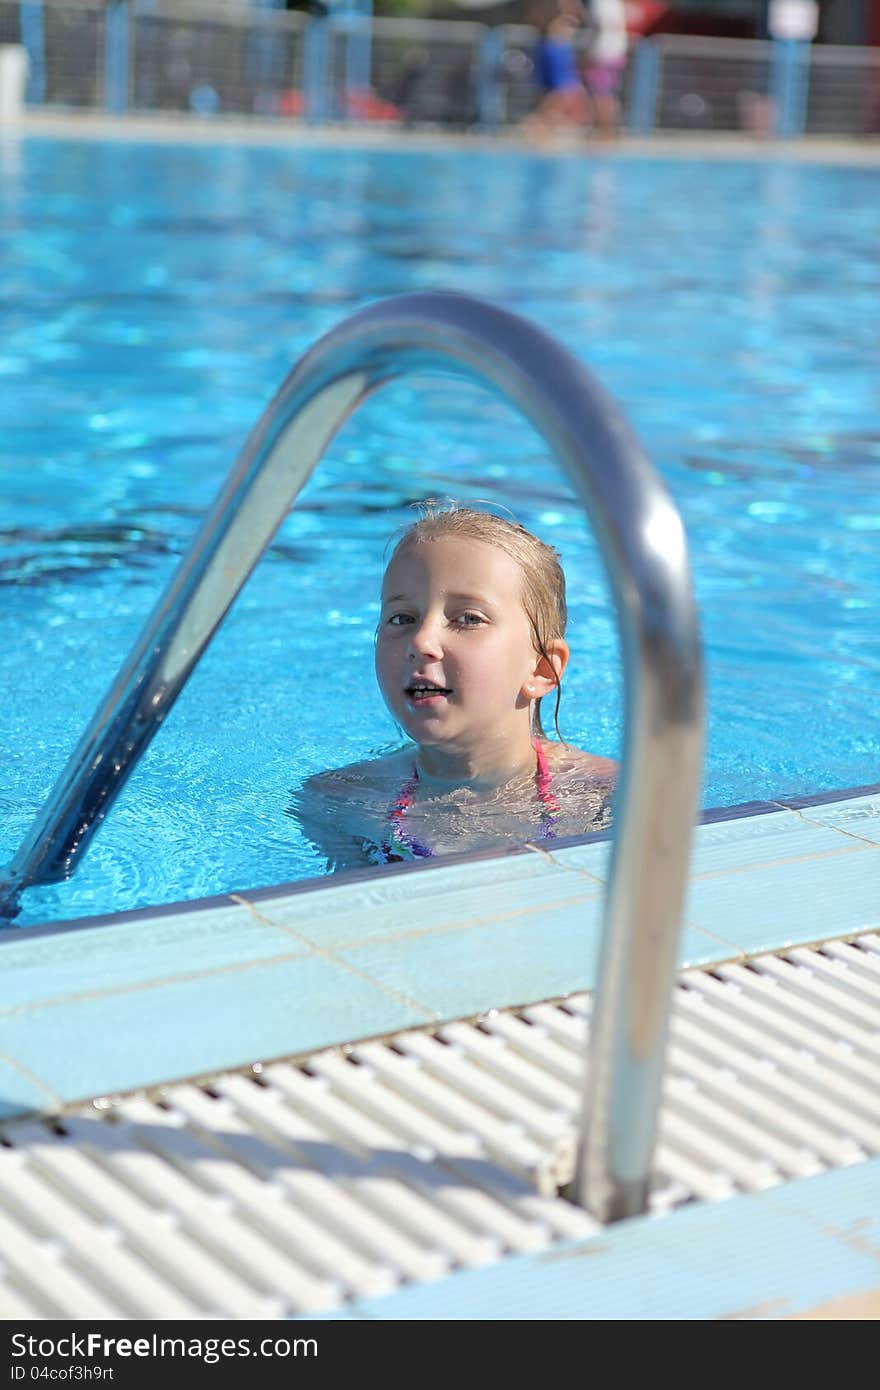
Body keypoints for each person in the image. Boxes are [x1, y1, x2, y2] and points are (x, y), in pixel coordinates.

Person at [295, 503, 616, 871]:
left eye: (468, 619)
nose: (421, 641)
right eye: (402, 618)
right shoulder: (340, 801)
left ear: (541, 669)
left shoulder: (611, 797)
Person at [523, 0, 590, 137]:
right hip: (556, 50)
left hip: (551, 48)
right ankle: (536, 124)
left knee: (558, 96)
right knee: (562, 94)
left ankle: (539, 125)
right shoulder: (559, 18)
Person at [583, 0, 629, 138]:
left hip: (605, 55)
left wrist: (592, 54)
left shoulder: (603, 4)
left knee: (601, 95)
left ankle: (605, 130)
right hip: (611, 53)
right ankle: (606, 129)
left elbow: (606, 28)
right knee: (605, 95)